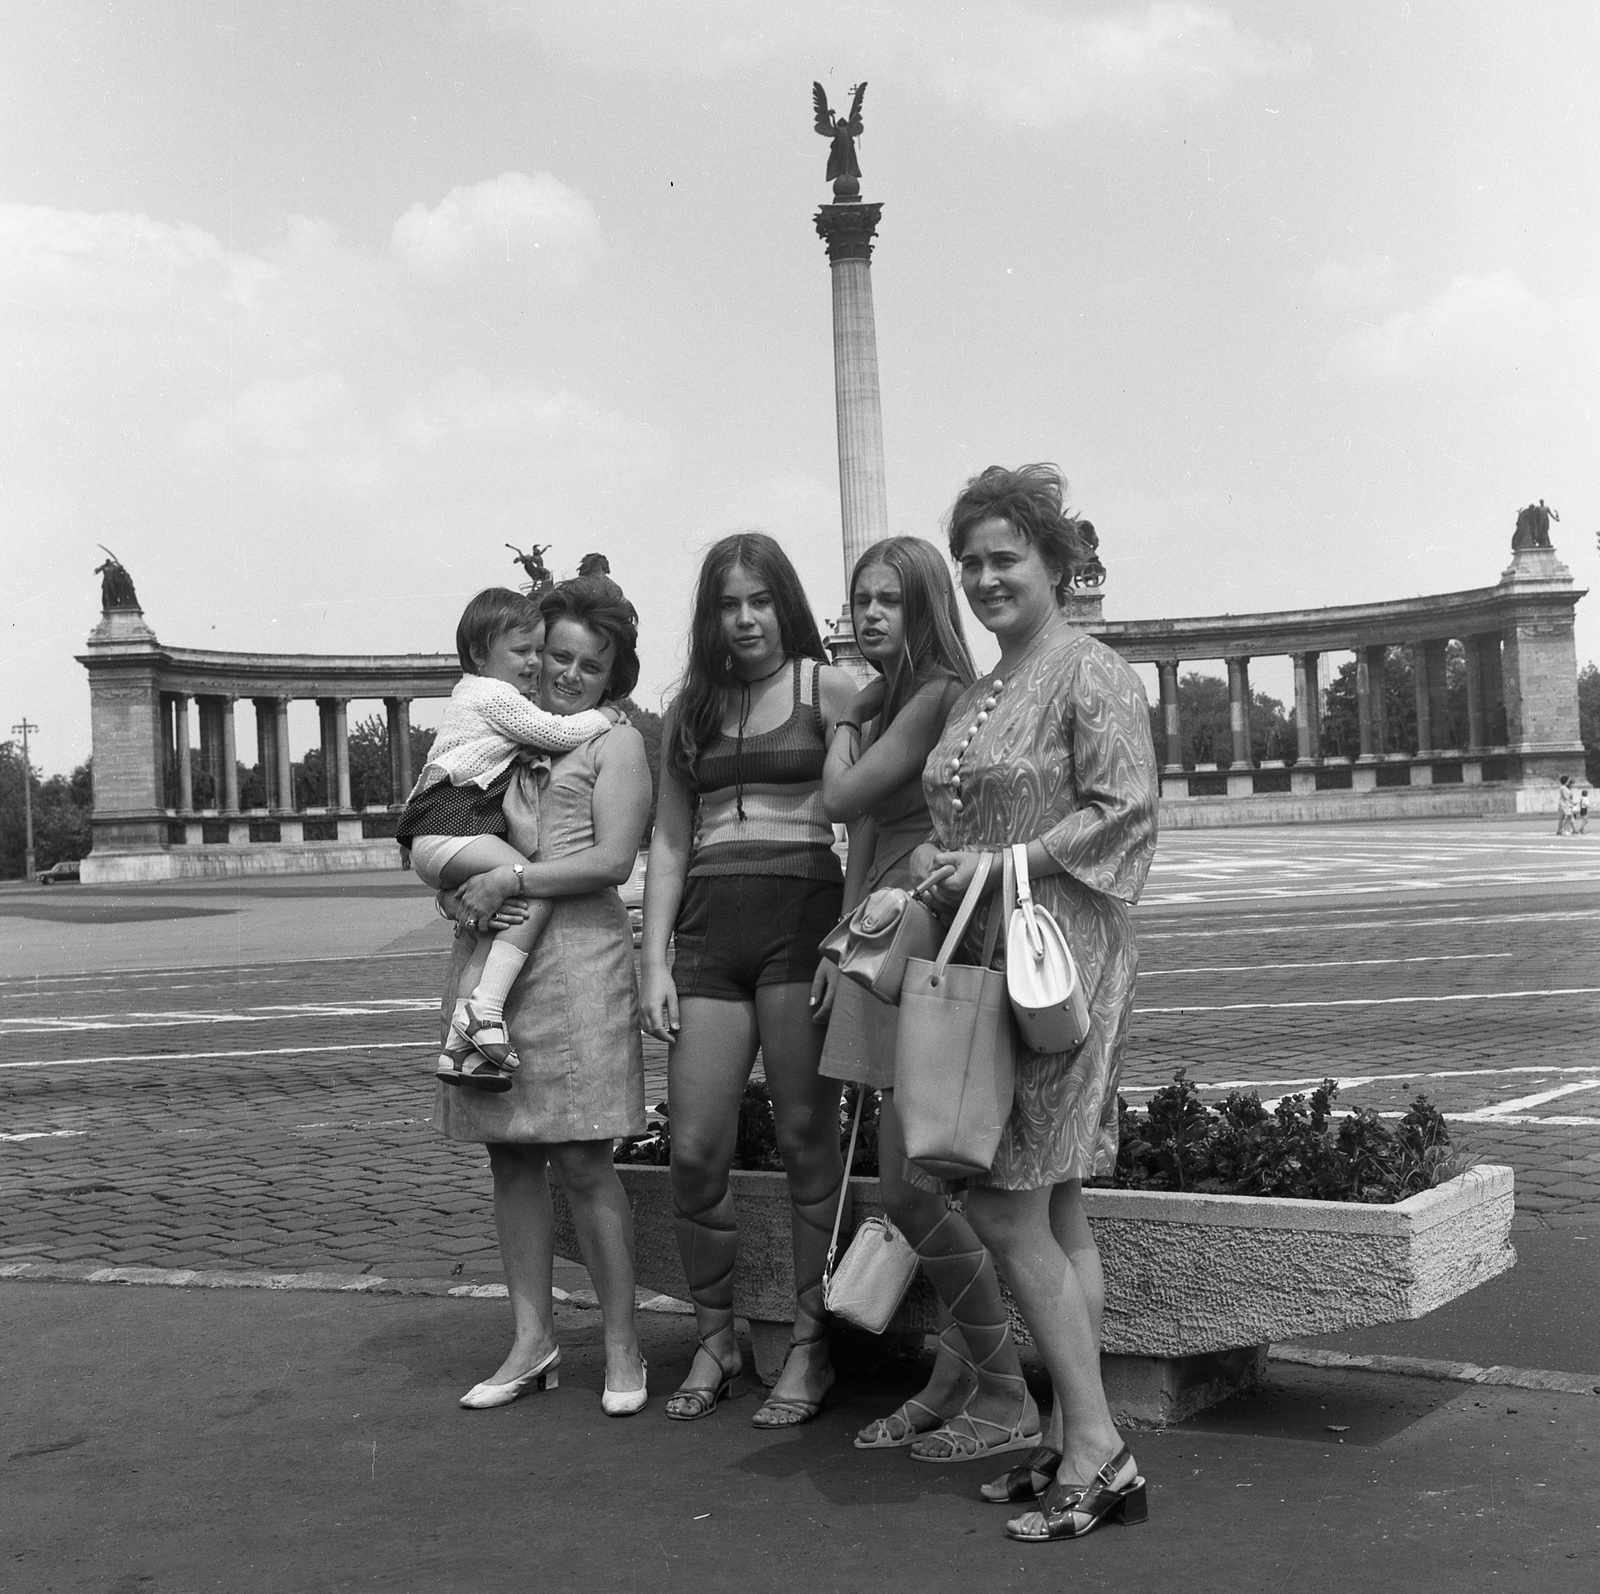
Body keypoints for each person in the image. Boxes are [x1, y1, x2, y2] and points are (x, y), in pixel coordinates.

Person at [911, 464, 1158, 1542]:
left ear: (1055, 563)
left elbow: (1125, 810)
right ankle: (1068, 1437)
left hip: (1058, 964)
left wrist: (1004, 861)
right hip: (988, 955)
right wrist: (938, 862)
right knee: (1054, 1208)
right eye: (968, 561)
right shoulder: (985, 686)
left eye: (1004, 557)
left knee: (1007, 1205)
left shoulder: (1089, 669)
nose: (983, 578)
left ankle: (1100, 1447)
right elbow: (964, 821)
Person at [814, 536, 1040, 1464]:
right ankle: (962, 1376)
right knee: (913, 1186)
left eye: (889, 600)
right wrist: (839, 943)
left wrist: (844, 713)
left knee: (918, 1186)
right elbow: (866, 837)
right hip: (883, 942)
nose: (869, 614)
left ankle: (1002, 1388)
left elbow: (840, 799)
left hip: (927, 945)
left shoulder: (938, 690)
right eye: (860, 598)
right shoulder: (900, 695)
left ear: (925, 608)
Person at [640, 532, 857, 1426]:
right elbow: (668, 839)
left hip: (802, 927)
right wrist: (653, 959)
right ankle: (716, 1337)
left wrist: (851, 932)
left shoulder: (828, 688)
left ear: (785, 604)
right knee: (695, 1149)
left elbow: (869, 815)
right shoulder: (689, 709)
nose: (745, 619)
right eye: (728, 604)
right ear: (710, 616)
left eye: (760, 600)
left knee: (807, 1138)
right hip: (706, 938)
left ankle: (811, 1344)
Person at [435, 576, 655, 1418]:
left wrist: (511, 880)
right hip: (496, 954)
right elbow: (452, 827)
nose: (567, 674)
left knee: (587, 1159)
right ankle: (532, 1341)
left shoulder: (615, 744)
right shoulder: (501, 731)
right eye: (556, 656)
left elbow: (612, 861)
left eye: (589, 665)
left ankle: (623, 1343)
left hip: (580, 962)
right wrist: (459, 893)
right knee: (512, 1156)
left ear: (612, 673)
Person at [396, 587, 613, 1089]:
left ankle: (460, 1051)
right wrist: (604, 718)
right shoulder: (492, 695)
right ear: (479, 654)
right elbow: (557, 733)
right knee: (532, 888)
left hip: (438, 832)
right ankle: (485, 1010)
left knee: (497, 925)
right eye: (522, 651)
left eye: (538, 650)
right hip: (453, 823)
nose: (534, 662)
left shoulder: (473, 695)